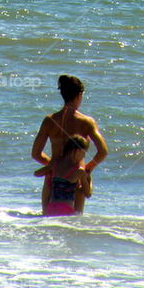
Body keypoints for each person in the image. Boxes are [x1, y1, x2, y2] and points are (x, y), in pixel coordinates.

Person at [31, 75, 108, 214]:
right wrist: (87, 169)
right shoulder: (86, 122)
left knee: (47, 222)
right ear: (79, 95)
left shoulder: (49, 120)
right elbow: (103, 151)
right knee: (73, 224)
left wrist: (54, 166)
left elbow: (35, 154)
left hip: (52, 178)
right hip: (75, 180)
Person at [35, 135, 92, 216]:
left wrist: (49, 168)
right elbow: (88, 194)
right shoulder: (79, 171)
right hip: (65, 209)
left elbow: (37, 173)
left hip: (50, 208)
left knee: (48, 178)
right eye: (83, 153)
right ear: (76, 151)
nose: (83, 156)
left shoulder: (56, 164)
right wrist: (90, 179)